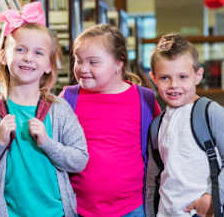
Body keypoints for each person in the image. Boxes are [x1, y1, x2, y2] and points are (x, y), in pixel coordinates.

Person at [0, 1, 88, 217]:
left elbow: (79, 159)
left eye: (38, 53)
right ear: (3, 56)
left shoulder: (60, 110)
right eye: (20, 49)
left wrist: (48, 144)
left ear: (49, 65)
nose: (28, 57)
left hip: (56, 212)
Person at [60, 24, 161, 217]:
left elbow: (163, 148)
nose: (83, 68)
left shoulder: (144, 99)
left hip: (133, 207)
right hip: (76, 207)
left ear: (118, 63)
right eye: (78, 60)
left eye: (93, 62)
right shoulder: (68, 98)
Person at [144, 34, 224, 217]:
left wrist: (212, 198)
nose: (174, 85)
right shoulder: (157, 125)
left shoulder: (211, 113)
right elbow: (153, 180)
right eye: (165, 78)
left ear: (198, 75)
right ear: (153, 78)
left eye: (183, 77)